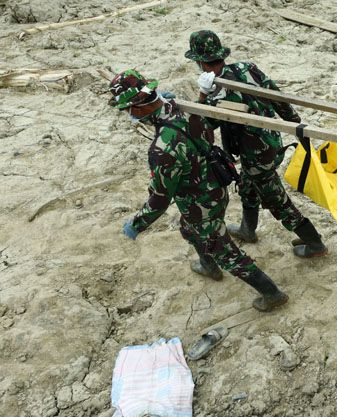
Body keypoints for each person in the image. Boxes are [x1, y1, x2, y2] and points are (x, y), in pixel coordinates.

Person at [110, 69, 288, 311]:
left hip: (200, 203)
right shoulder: (181, 107)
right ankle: (207, 265)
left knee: (227, 253)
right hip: (215, 184)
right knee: (188, 229)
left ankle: (272, 293)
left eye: (127, 110)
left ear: (138, 108)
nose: (129, 115)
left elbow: (160, 200)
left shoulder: (162, 150)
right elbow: (202, 119)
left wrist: (137, 224)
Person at [184, 30, 328, 258]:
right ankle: (247, 229)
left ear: (200, 62)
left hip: (257, 156)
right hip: (269, 140)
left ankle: (315, 244)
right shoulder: (246, 69)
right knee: (248, 186)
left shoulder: (217, 97)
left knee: (277, 202)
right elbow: (276, 96)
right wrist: (293, 122)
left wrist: (202, 96)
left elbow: (198, 127)